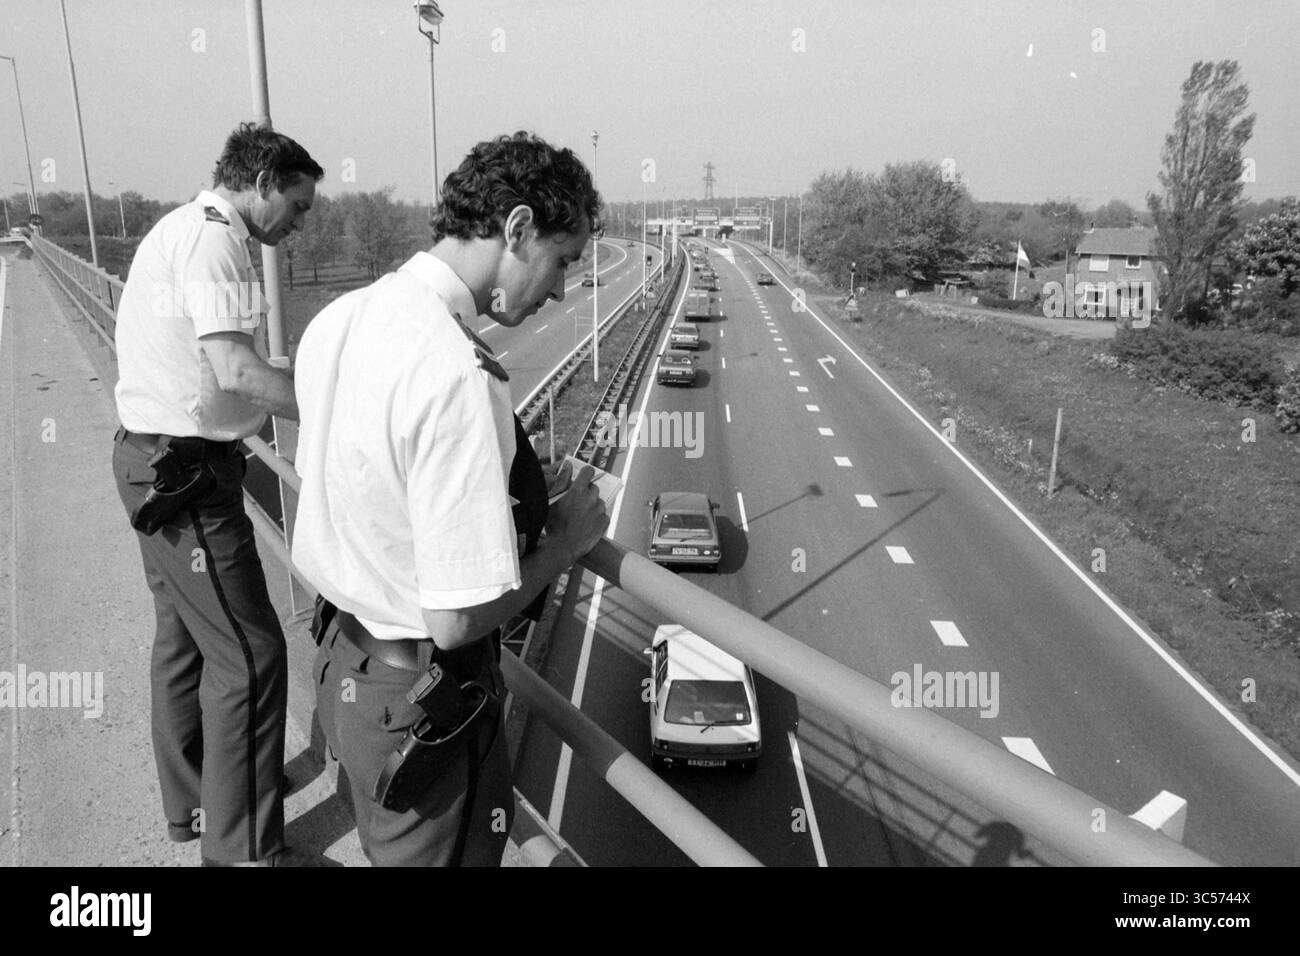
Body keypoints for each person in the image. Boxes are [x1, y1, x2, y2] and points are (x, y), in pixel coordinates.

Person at [293, 131, 609, 866]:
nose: (562, 289)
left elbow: (360, 489)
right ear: (518, 228)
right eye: (563, 261)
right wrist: (561, 542)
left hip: (345, 661)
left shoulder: (342, 317)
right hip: (421, 706)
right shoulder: (457, 371)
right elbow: (458, 616)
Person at [111, 122, 324, 866]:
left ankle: (197, 804)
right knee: (253, 655)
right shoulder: (217, 239)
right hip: (188, 477)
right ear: (263, 182)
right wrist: (333, 403)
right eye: (296, 207)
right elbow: (236, 372)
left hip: (149, 461)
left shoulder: (180, 227)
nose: (296, 228)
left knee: (183, 642)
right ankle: (243, 851)